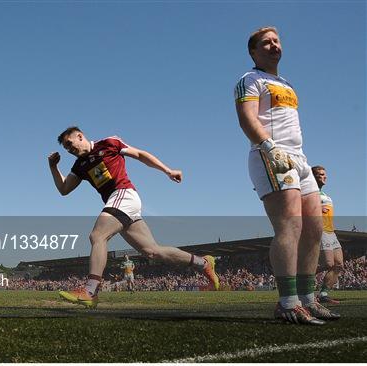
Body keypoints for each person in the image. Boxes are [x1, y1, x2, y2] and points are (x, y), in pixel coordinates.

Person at [234, 27, 339, 324]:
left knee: (314, 228)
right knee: (290, 226)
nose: (273, 45)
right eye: (265, 42)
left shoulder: (286, 84)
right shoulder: (249, 80)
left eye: (276, 41)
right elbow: (247, 119)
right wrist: (268, 146)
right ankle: (287, 303)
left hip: (300, 158)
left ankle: (308, 299)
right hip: (271, 155)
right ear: (253, 52)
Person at [49, 126, 219, 308]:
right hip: (120, 204)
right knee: (153, 251)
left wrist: (167, 170)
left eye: (70, 143)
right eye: (66, 148)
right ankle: (203, 263)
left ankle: (90, 291)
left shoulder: (108, 143)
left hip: (124, 194)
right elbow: (64, 189)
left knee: (98, 236)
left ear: (80, 136)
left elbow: (139, 154)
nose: (69, 150)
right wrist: (53, 167)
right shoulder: (80, 166)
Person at [312, 166, 343, 304]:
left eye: (325, 174)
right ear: (313, 177)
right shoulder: (309, 193)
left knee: (339, 265)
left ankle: (323, 294)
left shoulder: (326, 195)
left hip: (331, 232)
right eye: (320, 175)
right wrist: (317, 208)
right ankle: (302, 275)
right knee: (329, 263)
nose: (324, 176)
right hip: (321, 231)